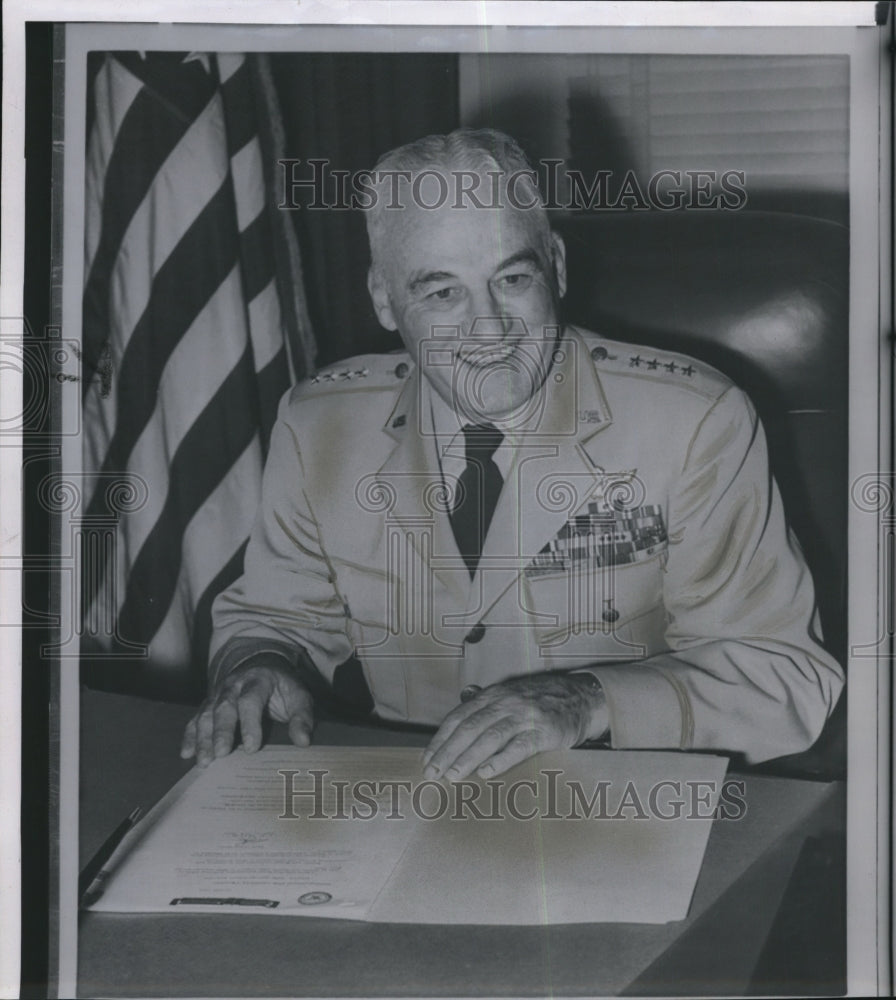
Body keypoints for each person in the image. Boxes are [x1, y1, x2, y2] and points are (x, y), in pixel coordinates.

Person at [180, 128, 844, 780]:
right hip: (411, 806)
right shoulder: (319, 424)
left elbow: (783, 674)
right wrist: (255, 665)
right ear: (385, 300)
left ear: (554, 265)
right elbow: (274, 615)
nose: (489, 328)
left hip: (624, 803)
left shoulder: (695, 421)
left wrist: (590, 699)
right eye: (442, 293)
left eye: (512, 279)